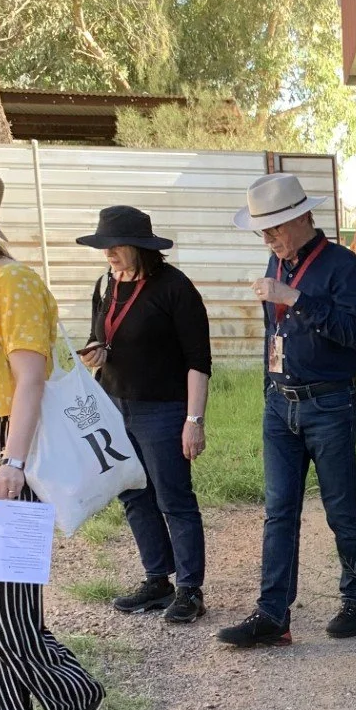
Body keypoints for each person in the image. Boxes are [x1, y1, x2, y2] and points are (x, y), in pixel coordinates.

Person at [218, 173, 356, 649]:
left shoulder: (342, 265)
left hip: (329, 404)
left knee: (341, 510)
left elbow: (354, 333)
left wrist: (295, 299)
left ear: (304, 217)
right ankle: (272, 615)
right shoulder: (277, 260)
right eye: (262, 232)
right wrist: (270, 387)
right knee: (278, 513)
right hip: (280, 405)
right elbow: (277, 334)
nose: (268, 239)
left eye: (276, 228)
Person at [0, 167, 103, 710]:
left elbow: (30, 381)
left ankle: (72, 692)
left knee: (9, 605)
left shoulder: (13, 282)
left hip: (14, 449)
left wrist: (11, 461)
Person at [78, 206, 211, 625]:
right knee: (133, 493)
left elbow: (199, 361)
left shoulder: (174, 287)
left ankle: (190, 590)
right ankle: (158, 581)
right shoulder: (106, 284)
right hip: (114, 405)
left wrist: (194, 421)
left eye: (115, 245)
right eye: (103, 246)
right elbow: (100, 335)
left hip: (163, 410)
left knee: (173, 498)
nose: (108, 253)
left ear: (140, 246)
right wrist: (95, 351)